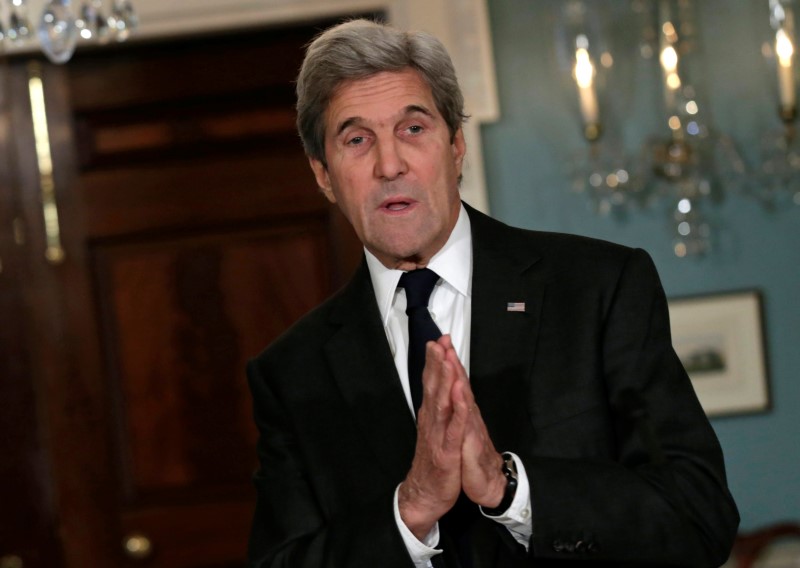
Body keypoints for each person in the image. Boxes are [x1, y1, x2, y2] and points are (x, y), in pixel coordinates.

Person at [246, 18, 739, 568]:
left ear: (456, 146)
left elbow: (699, 518)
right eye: (357, 140)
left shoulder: (596, 288)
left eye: (413, 129)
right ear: (324, 175)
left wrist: (511, 490)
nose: (390, 165)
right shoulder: (293, 373)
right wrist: (410, 512)